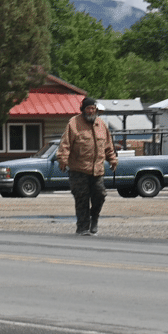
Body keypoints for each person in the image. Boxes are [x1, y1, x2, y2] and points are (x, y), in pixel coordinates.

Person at [56, 97, 117, 235]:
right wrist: (63, 160)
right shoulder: (74, 123)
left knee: (100, 195)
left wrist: (113, 160)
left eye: (93, 109)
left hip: (97, 170)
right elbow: (65, 144)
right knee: (81, 198)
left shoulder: (101, 125)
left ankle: (94, 218)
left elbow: (108, 146)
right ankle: (83, 227)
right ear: (83, 110)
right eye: (88, 108)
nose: (91, 111)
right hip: (78, 169)